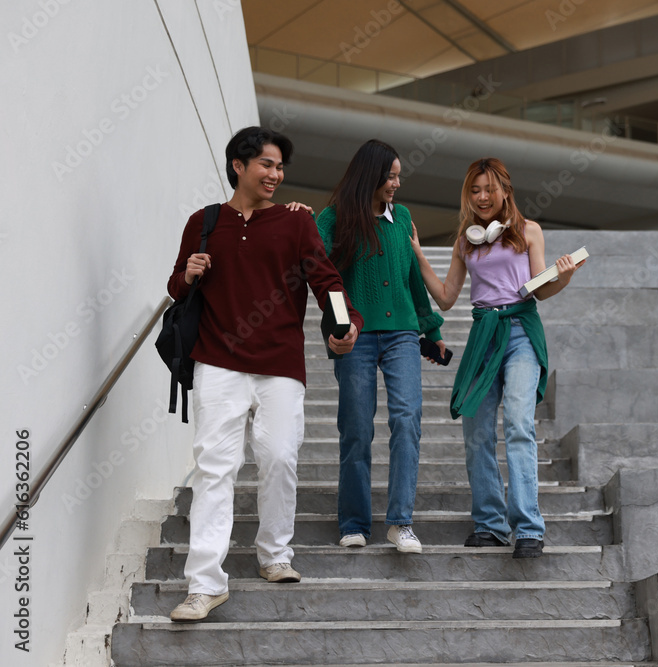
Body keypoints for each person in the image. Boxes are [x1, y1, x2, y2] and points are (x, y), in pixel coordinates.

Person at [166, 126, 363, 622]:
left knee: (279, 457)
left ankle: (275, 554)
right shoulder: (204, 221)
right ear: (239, 166)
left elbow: (326, 279)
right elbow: (176, 287)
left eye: (280, 167)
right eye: (266, 165)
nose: (275, 175)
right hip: (217, 361)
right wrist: (188, 274)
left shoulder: (296, 222)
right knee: (215, 468)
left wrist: (346, 323)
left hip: (280, 364)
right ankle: (204, 584)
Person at [410, 157, 582, 559]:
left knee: (519, 423)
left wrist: (564, 275)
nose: (482, 197)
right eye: (475, 190)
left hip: (521, 330)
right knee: (476, 432)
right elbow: (447, 298)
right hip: (483, 335)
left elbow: (539, 290)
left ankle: (529, 529)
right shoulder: (465, 240)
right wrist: (418, 254)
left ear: (506, 191)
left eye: (489, 189)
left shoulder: (528, 231)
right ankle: (490, 525)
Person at [315, 139, 446, 554]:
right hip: (355, 335)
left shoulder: (402, 217)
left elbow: (412, 280)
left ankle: (400, 522)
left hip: (402, 333)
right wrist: (337, 327)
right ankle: (354, 522)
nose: (397, 183)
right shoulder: (333, 218)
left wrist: (431, 330)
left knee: (407, 418)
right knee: (356, 426)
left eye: (398, 176)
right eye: (390, 176)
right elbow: (321, 276)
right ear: (369, 175)